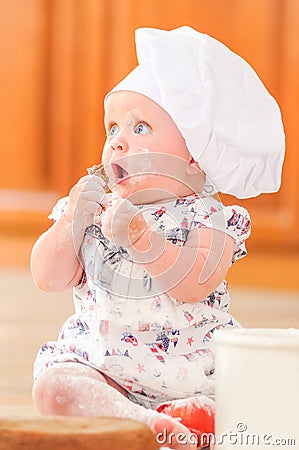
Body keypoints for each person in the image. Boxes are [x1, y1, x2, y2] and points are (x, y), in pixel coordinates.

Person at [31, 26, 285, 449]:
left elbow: (194, 285)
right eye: (112, 129)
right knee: (54, 386)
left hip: (193, 375)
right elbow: (47, 278)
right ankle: (140, 420)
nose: (117, 142)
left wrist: (140, 237)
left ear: (193, 154)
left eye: (141, 127)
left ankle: (184, 418)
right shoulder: (92, 210)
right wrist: (70, 222)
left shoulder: (210, 218)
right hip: (104, 369)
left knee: (250, 400)